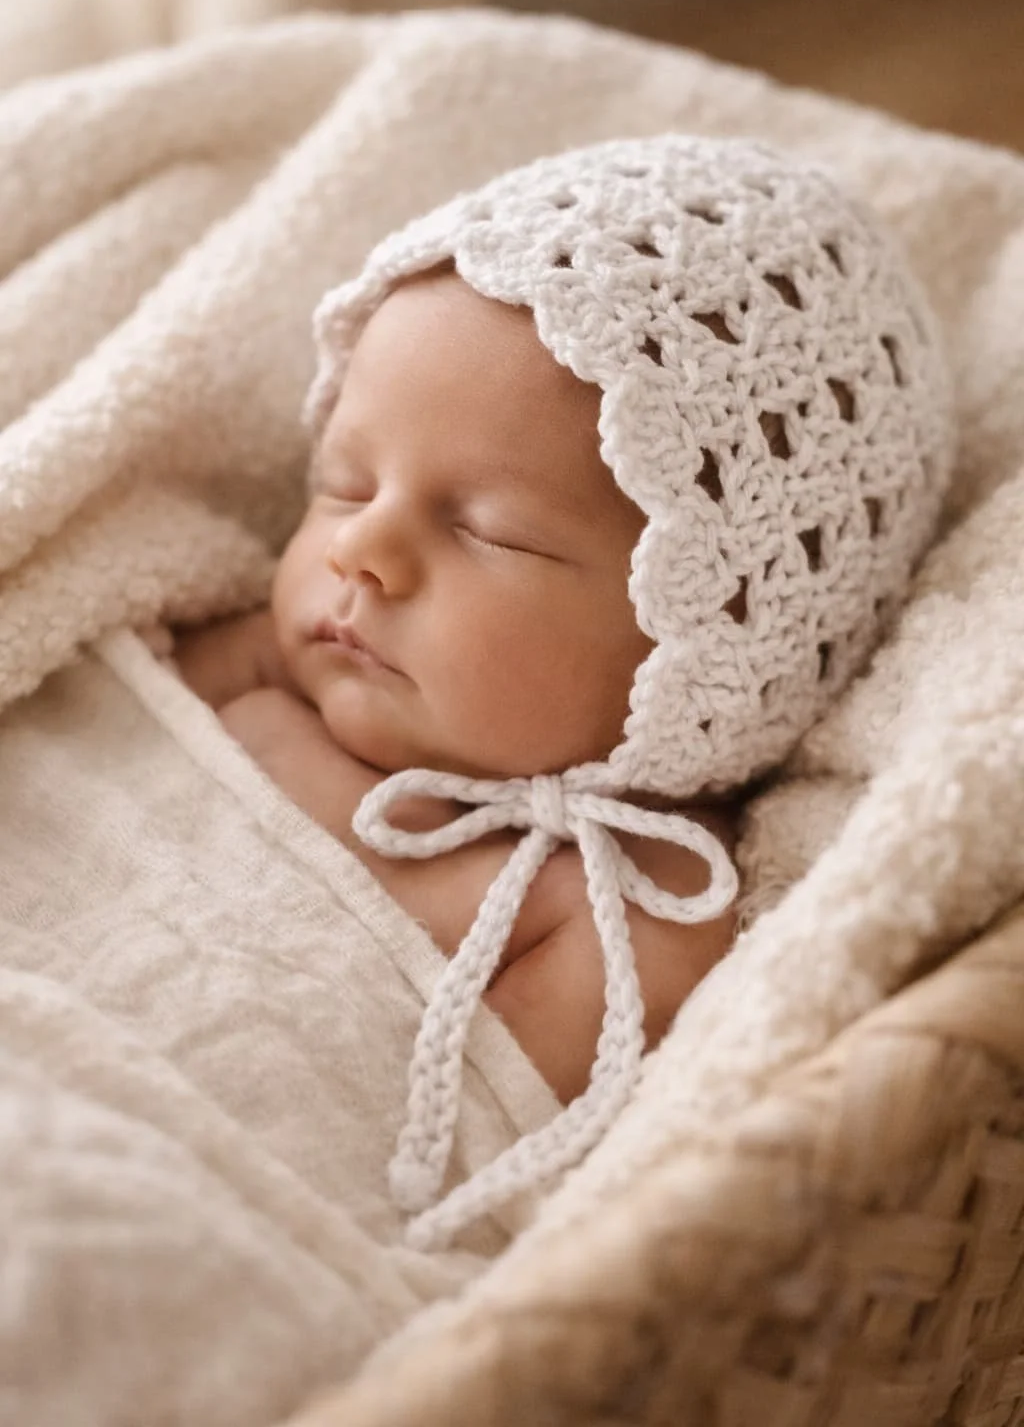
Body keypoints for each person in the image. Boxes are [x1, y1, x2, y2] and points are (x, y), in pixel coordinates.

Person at [160, 135, 952, 1248]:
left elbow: (436, 1159)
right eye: (343, 484)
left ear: (700, 647)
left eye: (487, 530)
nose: (362, 549)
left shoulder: (635, 906)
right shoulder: (253, 662)